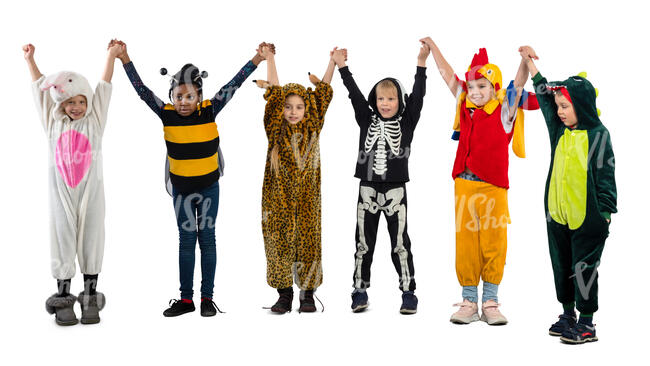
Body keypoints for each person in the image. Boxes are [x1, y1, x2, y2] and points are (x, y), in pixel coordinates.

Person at [115, 39, 266, 317]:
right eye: (178, 96)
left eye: (190, 96)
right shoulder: (166, 113)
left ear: (199, 95)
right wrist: (125, 58)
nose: (183, 102)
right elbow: (141, 91)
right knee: (186, 240)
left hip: (209, 188)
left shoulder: (210, 109)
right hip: (182, 191)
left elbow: (235, 83)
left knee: (207, 239)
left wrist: (256, 59)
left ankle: (207, 298)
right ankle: (187, 300)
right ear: (172, 96)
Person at [421, 37, 536, 325]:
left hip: (494, 186)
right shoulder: (464, 105)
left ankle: (491, 302)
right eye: (471, 87)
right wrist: (434, 48)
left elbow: (519, 85)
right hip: (464, 183)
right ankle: (469, 300)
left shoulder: (504, 110)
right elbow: (448, 75)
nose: (474, 92)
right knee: (466, 242)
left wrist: (524, 61)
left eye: (481, 86)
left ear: (494, 88)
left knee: (494, 241)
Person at [520, 45, 616, 344]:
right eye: (559, 106)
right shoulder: (559, 131)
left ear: (583, 105)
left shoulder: (598, 134)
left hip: (588, 217)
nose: (560, 112)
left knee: (583, 269)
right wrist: (531, 66)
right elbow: (546, 103)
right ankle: (567, 313)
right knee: (561, 264)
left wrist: (605, 212)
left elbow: (606, 176)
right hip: (556, 213)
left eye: (566, 106)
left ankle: (587, 323)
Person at [25, 41, 120, 325]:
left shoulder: (95, 119)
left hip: (91, 193)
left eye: (81, 101)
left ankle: (90, 298)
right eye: (70, 102)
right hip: (61, 195)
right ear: (61, 103)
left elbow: (103, 85)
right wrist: (31, 59)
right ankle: (64, 299)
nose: (77, 107)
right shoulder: (53, 123)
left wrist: (111, 55)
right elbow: (40, 88)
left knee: (92, 238)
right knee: (62, 238)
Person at [332, 41, 429, 314]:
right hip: (367, 189)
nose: (385, 103)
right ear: (374, 101)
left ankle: (409, 291)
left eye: (391, 99)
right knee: (363, 243)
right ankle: (359, 289)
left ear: (400, 101)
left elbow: (419, 96)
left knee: (400, 244)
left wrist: (421, 64)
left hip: (396, 190)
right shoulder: (367, 120)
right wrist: (342, 67)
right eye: (380, 99)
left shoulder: (407, 122)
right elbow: (354, 95)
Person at [256, 44, 334, 314]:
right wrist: (270, 58)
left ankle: (308, 294)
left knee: (309, 244)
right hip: (277, 199)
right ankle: (284, 294)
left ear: (306, 109)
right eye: (288, 107)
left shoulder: (313, 126)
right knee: (277, 242)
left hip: (308, 200)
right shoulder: (275, 128)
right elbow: (275, 94)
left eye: (299, 106)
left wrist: (332, 63)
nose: (292, 111)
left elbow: (322, 93)